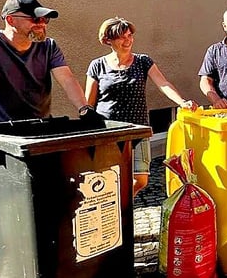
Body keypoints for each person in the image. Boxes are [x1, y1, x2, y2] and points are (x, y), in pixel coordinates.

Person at [85, 17, 199, 197]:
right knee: (109, 178)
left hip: (138, 129)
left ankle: (119, 204)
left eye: (130, 35)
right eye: (122, 37)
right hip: (109, 132)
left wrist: (182, 102)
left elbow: (163, 84)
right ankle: (115, 212)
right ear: (108, 40)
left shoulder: (143, 61)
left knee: (141, 179)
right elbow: (88, 103)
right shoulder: (97, 66)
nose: (128, 40)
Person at [0, 0, 95, 140]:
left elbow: (67, 79)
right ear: (10, 19)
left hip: (40, 130)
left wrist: (84, 109)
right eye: (35, 19)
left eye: (45, 19)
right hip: (0, 132)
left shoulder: (48, 46)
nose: (42, 24)